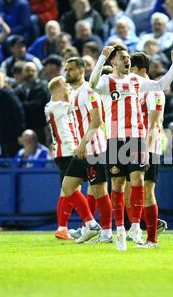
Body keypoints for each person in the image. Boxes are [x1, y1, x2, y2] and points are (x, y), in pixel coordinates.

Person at [89, 44, 173, 250]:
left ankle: (137, 229)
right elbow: (92, 83)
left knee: (138, 180)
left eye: (128, 56)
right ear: (113, 61)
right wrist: (101, 58)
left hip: (137, 139)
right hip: (114, 139)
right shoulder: (106, 81)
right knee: (118, 184)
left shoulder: (136, 81)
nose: (127, 59)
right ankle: (120, 230)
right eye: (122, 57)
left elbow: (159, 85)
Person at [62, 57, 114, 244]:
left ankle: (107, 232)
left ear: (81, 71)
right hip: (83, 149)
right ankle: (91, 224)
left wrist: (83, 144)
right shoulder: (74, 93)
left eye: (71, 69)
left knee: (99, 191)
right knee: (68, 187)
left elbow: (97, 120)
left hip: (94, 149)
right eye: (66, 69)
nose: (67, 72)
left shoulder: (89, 92)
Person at [45, 76, 102, 243]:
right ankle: (90, 223)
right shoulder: (60, 106)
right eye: (66, 85)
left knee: (67, 190)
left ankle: (63, 228)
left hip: (63, 153)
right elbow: (80, 105)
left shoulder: (51, 106)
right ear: (58, 89)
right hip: (70, 152)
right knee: (92, 186)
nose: (69, 88)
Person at [123, 52, 168, 248]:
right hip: (131, 143)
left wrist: (147, 151)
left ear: (142, 70)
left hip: (148, 145)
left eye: (132, 70)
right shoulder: (135, 90)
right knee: (127, 191)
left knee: (147, 190)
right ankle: (143, 227)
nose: (129, 75)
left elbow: (155, 122)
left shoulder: (154, 92)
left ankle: (152, 238)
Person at [14, 62, 49, 145]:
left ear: (37, 72)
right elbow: (15, 107)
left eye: (33, 70)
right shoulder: (18, 89)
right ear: (22, 72)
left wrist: (22, 106)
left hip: (39, 128)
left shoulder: (43, 87)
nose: (30, 73)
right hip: (24, 127)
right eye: (27, 70)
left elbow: (38, 105)